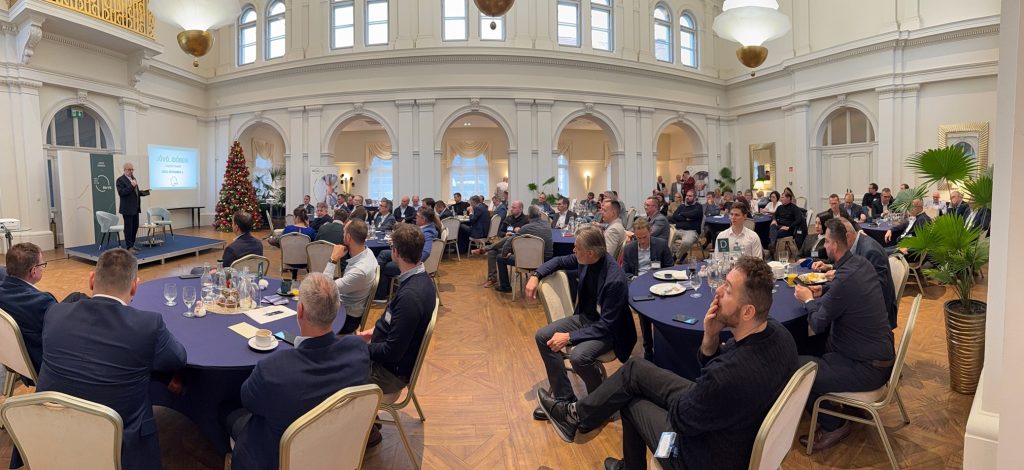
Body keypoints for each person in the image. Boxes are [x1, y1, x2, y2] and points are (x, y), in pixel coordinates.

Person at [536, 257, 799, 470]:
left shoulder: (727, 376)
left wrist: (660, 396)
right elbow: (714, 387)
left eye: (728, 289)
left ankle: (628, 464)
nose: (718, 290)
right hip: (728, 424)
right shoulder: (781, 336)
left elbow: (681, 420)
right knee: (634, 370)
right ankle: (574, 415)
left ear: (748, 311)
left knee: (631, 402)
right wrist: (710, 338)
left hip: (694, 455)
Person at [33, 249, 187, 470]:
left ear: (91, 280)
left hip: (51, 431)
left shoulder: (54, 313)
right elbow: (177, 359)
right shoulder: (147, 325)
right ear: (134, 286)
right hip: (118, 441)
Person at [229, 273, 370, 470]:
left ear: (300, 310)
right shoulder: (358, 350)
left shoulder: (272, 370)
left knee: (231, 415)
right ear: (337, 309)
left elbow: (249, 401)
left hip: (281, 458)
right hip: (338, 448)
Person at [794, 219, 894, 450]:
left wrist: (808, 300)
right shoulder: (860, 263)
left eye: (826, 242)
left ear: (835, 245)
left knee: (798, 370)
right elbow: (843, 288)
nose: (824, 246)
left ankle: (833, 426)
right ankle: (836, 405)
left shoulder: (847, 275)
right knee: (815, 348)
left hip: (868, 368)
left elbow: (817, 323)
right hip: (878, 356)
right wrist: (824, 289)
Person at [525, 225, 637, 420]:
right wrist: (536, 275)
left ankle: (599, 404)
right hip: (587, 319)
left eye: (576, 248)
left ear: (590, 253)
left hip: (610, 331)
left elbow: (606, 325)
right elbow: (559, 261)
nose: (573, 250)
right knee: (542, 336)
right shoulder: (585, 259)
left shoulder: (615, 280)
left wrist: (569, 337)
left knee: (579, 357)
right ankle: (564, 400)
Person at [356, 223, 437, 444]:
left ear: (396, 252)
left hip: (389, 374)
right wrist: (374, 331)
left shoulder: (411, 296)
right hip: (393, 363)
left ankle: (364, 431)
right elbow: (397, 324)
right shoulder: (420, 279)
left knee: (332, 374)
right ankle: (367, 422)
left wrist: (361, 348)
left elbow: (391, 352)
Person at [814, 218, 897, 329]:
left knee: (827, 318)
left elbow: (878, 288)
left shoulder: (870, 251)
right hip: (865, 306)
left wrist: (842, 278)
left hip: (877, 316)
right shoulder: (858, 244)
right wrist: (831, 268)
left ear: (847, 237)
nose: (825, 246)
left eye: (828, 241)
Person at [0, 243, 57, 373]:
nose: (43, 268)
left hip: (11, 357)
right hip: (40, 364)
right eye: (42, 265)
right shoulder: (43, 302)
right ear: (33, 271)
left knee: (75, 297)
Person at [622, 219, 673, 361]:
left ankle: (664, 345)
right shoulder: (629, 249)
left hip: (659, 284)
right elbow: (625, 273)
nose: (642, 241)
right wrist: (636, 280)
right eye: (639, 238)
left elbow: (670, 267)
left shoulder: (661, 245)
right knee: (644, 310)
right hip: (639, 286)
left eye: (645, 237)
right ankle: (648, 348)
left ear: (650, 232)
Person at [323, 219, 377, 334]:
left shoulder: (359, 271)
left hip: (347, 318)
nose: (342, 235)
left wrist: (333, 259)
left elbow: (324, 287)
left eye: (344, 232)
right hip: (347, 306)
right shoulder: (368, 252)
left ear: (348, 237)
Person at [376, 207, 440, 300]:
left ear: (423, 220)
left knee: (385, 266)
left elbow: (426, 252)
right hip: (408, 255)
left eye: (417, 216)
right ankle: (375, 278)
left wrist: (412, 262)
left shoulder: (428, 233)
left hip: (410, 263)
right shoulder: (427, 228)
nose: (415, 218)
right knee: (383, 253)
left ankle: (379, 294)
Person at [495, 206, 553, 293]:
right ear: (540, 215)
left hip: (527, 262)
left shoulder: (526, 228)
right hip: (546, 261)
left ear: (528, 216)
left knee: (500, 258)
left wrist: (504, 254)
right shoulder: (548, 225)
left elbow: (509, 242)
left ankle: (505, 287)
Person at [477, 201, 528, 287]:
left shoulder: (526, 220)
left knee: (509, 239)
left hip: (518, 248)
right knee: (492, 252)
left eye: (514, 207)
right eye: (511, 207)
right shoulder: (508, 219)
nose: (511, 209)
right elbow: (500, 232)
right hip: (506, 247)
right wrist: (505, 234)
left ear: (520, 209)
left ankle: (486, 248)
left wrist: (520, 231)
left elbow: (528, 236)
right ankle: (492, 278)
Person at [115, 162, 149, 253]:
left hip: (135, 208)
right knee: (128, 229)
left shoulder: (134, 178)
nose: (131, 171)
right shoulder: (120, 180)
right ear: (124, 170)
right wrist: (131, 186)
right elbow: (121, 193)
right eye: (129, 169)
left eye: (132, 169)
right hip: (127, 209)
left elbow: (136, 193)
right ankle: (129, 247)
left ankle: (132, 245)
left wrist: (145, 192)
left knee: (135, 227)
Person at [669, 190, 702, 263]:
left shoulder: (698, 206)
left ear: (694, 197)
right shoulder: (682, 206)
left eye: (690, 196)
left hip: (692, 231)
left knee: (686, 242)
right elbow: (674, 216)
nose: (687, 197)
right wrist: (686, 218)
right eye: (687, 195)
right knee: (664, 237)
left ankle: (676, 256)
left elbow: (694, 214)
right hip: (678, 229)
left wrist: (681, 214)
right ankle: (682, 253)